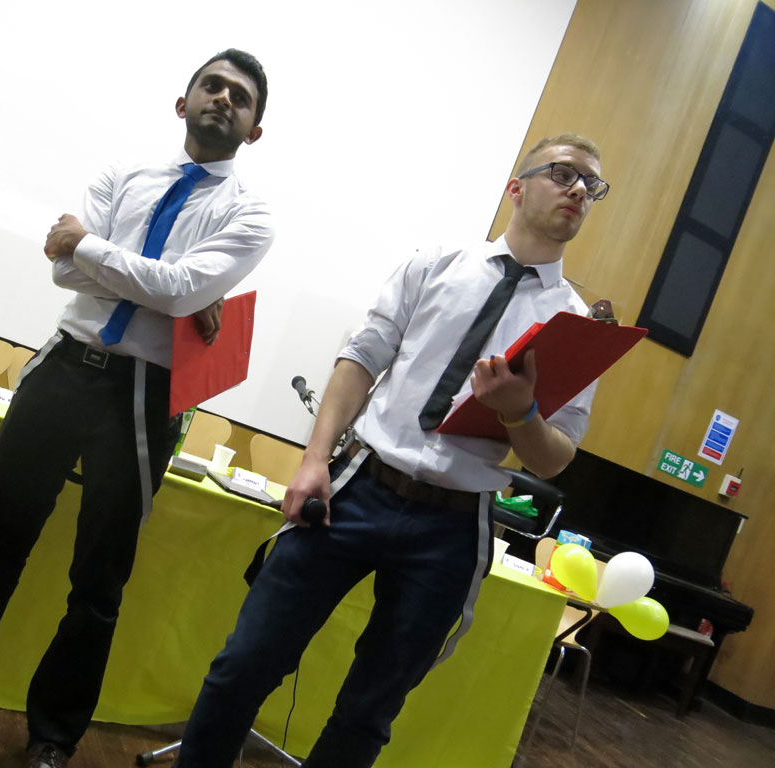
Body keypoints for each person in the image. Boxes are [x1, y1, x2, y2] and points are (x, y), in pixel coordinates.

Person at [0, 49, 273, 768]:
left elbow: (169, 288)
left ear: (255, 129)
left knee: (98, 580)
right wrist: (159, 285)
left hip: (142, 394)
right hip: (63, 367)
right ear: (183, 101)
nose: (223, 99)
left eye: (241, 97)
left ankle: (54, 735)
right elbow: (66, 270)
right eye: (212, 85)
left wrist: (106, 255)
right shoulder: (123, 175)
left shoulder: (250, 214)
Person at [173, 134, 608, 768]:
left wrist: (520, 413)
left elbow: (554, 460)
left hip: (453, 527)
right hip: (359, 486)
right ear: (516, 187)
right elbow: (360, 358)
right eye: (564, 174)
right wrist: (314, 459)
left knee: (368, 714)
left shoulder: (575, 327)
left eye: (591, 186)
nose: (579, 191)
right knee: (244, 664)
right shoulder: (438, 263)